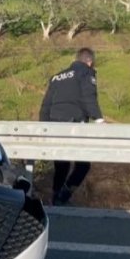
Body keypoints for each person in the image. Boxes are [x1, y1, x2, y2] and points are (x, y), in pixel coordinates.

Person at [39, 47, 105, 206]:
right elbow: (89, 97)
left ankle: (55, 198)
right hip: (74, 123)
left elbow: (46, 105)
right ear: (89, 61)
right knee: (83, 165)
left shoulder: (57, 77)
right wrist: (98, 119)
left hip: (54, 124)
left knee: (61, 164)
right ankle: (64, 195)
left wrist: (44, 127)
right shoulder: (86, 72)